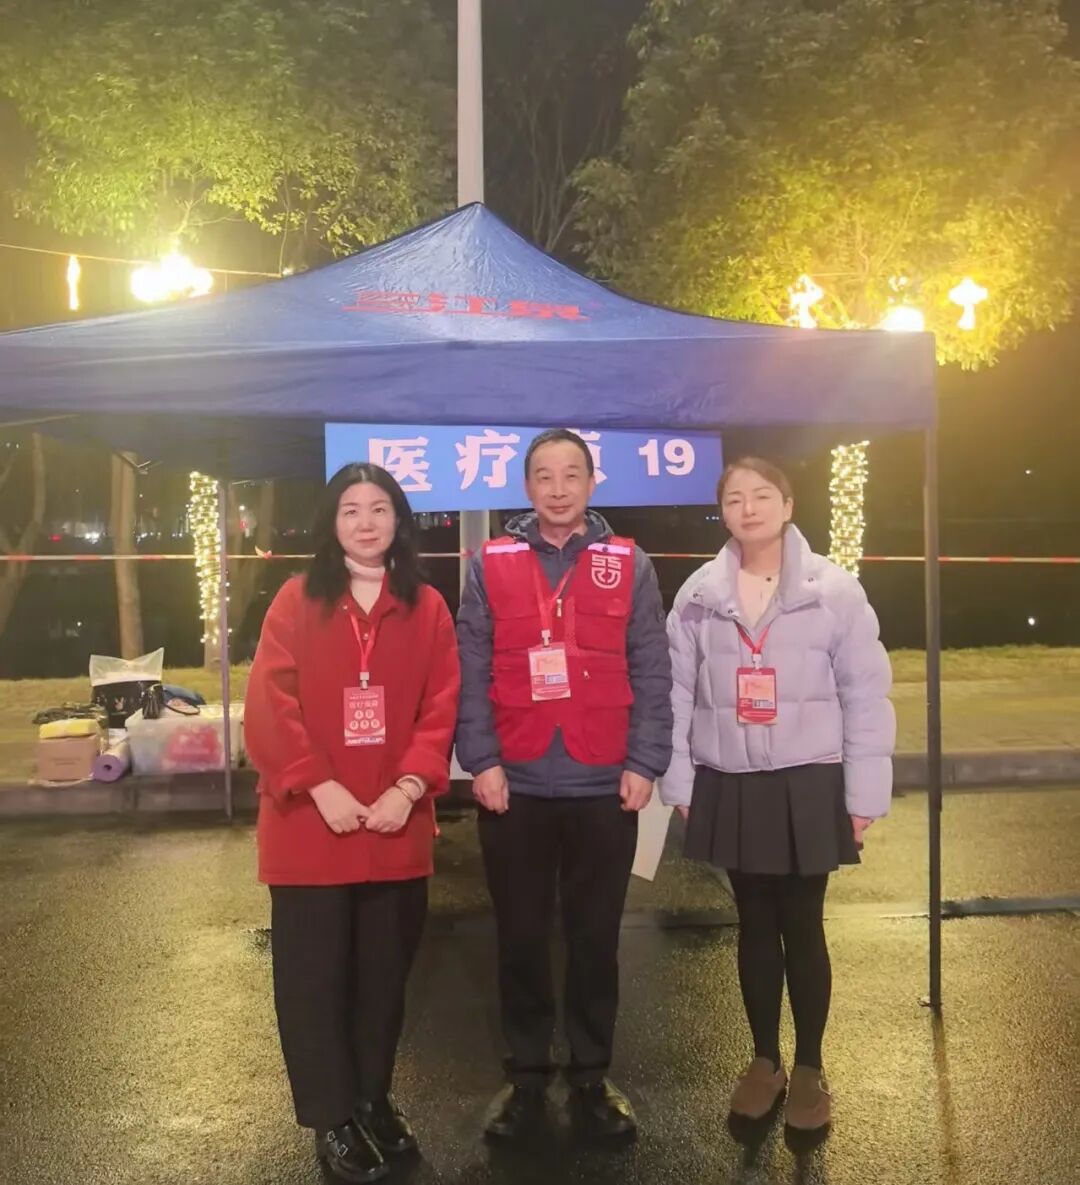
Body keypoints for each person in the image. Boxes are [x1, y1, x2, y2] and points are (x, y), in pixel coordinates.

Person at [661, 457, 894, 1134]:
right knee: (754, 924)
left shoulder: (834, 590)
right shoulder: (700, 593)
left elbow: (865, 693)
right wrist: (681, 782)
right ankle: (765, 1060)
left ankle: (811, 1067)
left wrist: (863, 794)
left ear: (788, 505)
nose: (749, 507)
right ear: (724, 511)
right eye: (735, 498)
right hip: (730, 777)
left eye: (762, 495)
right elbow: (675, 694)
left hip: (809, 776)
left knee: (803, 922)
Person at [244, 463, 460, 1184]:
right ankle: (330, 1117)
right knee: (313, 983)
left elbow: (442, 704)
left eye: (379, 509)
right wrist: (317, 784)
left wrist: (409, 785)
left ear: (399, 520)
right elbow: (270, 703)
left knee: (383, 980)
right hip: (310, 826)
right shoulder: (296, 599)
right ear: (330, 523)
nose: (366, 523)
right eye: (350, 510)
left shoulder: (426, 606)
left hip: (395, 823)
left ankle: (372, 1097)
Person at [456, 428, 673, 1143]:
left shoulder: (629, 563)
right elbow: (470, 667)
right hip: (513, 781)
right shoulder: (490, 563)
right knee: (520, 938)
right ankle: (525, 1080)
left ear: (591, 483)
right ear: (527, 487)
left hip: (603, 779)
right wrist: (481, 760)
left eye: (571, 474)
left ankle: (590, 1077)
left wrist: (645, 762)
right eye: (544, 476)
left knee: (594, 938)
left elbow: (651, 665)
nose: (557, 488)